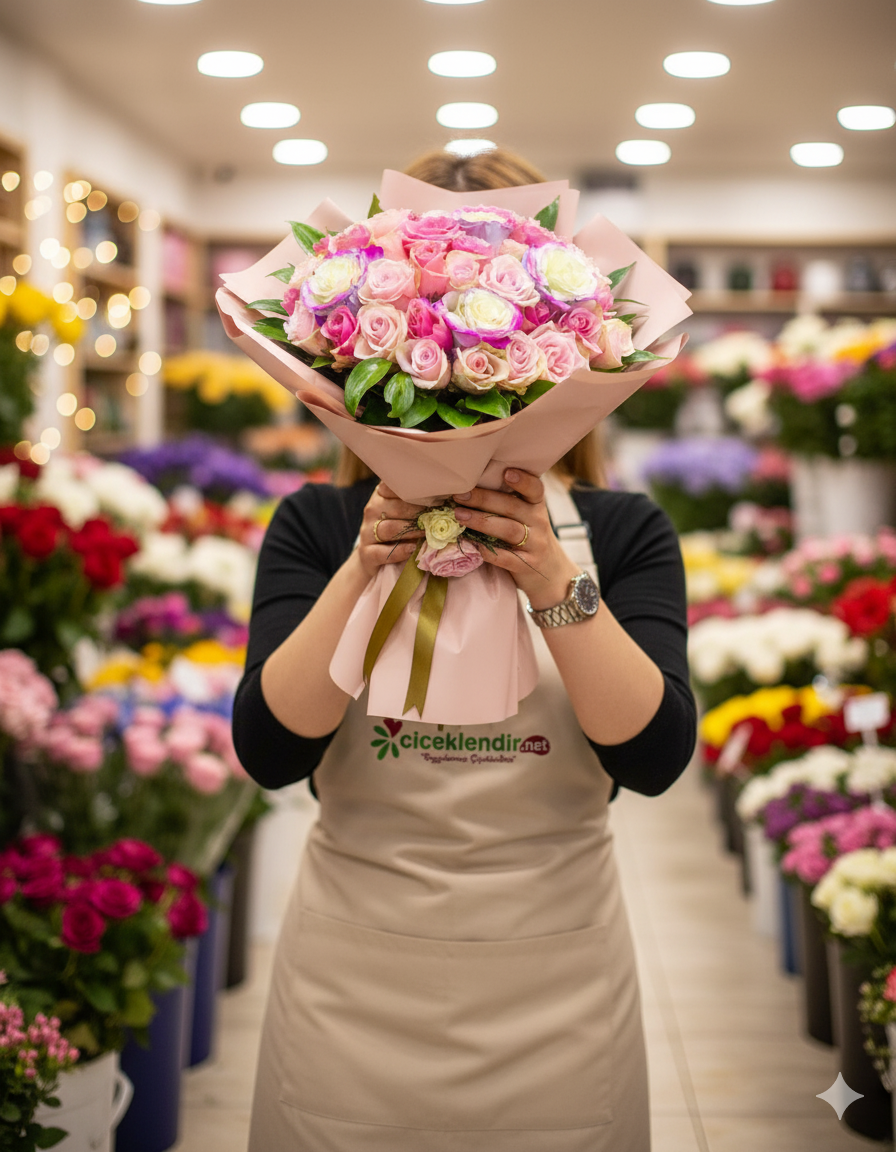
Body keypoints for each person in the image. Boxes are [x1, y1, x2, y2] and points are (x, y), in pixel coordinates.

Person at [234, 147, 696, 1152]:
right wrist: (366, 564)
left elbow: (653, 758)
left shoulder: (621, 532)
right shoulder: (316, 527)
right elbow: (272, 750)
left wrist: (550, 584)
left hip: (557, 990)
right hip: (352, 991)